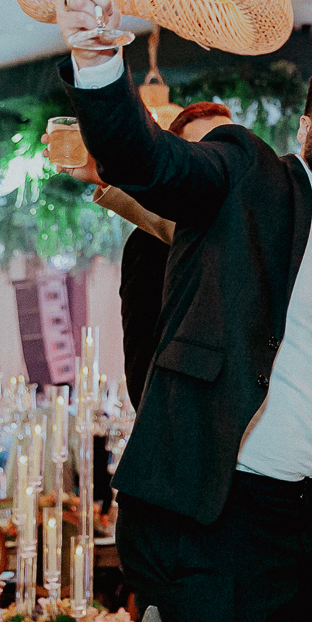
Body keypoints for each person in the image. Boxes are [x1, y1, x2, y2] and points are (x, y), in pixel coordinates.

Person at [54, 0, 312, 622]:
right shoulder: (248, 174)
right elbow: (149, 160)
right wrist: (97, 63)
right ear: (306, 125)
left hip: (297, 525)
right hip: (212, 512)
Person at [49, 102, 236, 408]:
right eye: (201, 154)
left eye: (228, 152)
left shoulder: (264, 227)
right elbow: (142, 356)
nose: (216, 166)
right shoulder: (148, 244)